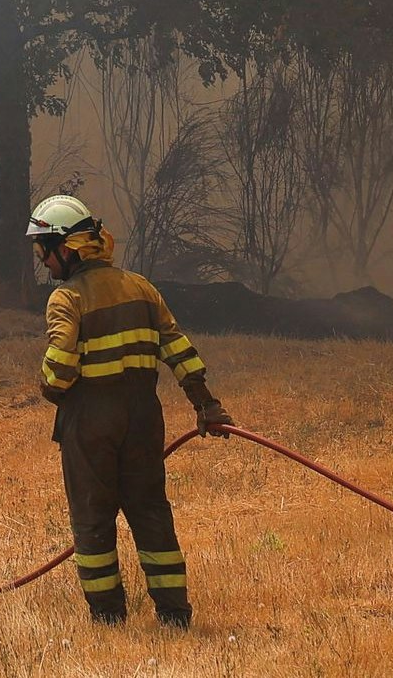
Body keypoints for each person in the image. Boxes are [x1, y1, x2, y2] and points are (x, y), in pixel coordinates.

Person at [26, 193, 230, 628]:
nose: (43, 262)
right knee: (150, 509)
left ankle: (108, 617)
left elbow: (60, 371)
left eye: (43, 250)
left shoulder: (67, 298)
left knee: (93, 515)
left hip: (91, 422)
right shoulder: (141, 288)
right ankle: (174, 614)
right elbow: (177, 348)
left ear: (66, 247)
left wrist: (47, 386)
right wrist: (206, 404)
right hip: (143, 417)